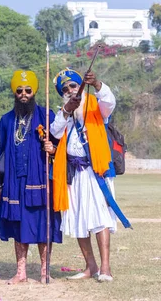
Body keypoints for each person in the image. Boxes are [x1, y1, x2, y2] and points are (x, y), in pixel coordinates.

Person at [51, 68, 129, 283]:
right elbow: (55, 132)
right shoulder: (64, 112)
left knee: (100, 218)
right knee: (78, 219)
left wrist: (97, 84)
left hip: (96, 172)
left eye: (73, 86)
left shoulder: (97, 105)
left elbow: (110, 102)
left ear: (80, 87)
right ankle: (90, 266)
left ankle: (105, 268)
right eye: (65, 89)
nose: (70, 90)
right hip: (73, 174)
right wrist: (67, 110)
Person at [0, 70, 61, 284]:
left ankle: (44, 270)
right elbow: (1, 153)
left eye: (28, 90)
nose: (24, 94)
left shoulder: (47, 116)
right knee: (18, 226)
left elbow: (62, 146)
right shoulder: (6, 120)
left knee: (43, 225)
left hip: (40, 180)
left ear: (34, 92)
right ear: (14, 93)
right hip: (14, 182)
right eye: (19, 90)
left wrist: (53, 149)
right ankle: (21, 272)